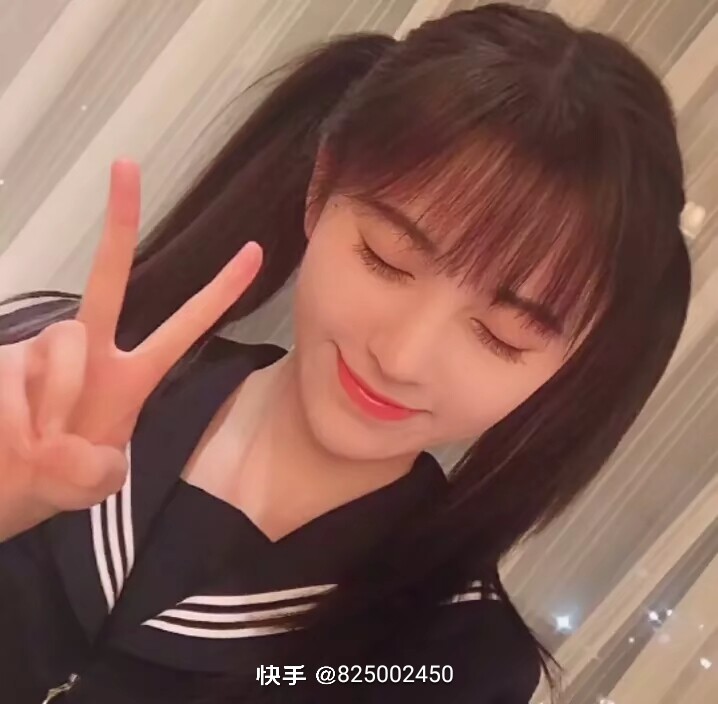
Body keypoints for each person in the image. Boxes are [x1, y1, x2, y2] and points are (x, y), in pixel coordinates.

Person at [0, 3, 691, 703]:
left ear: (572, 361)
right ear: (320, 186)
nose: (401, 357)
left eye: (503, 335)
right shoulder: (34, 368)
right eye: (386, 258)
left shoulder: (454, 663)